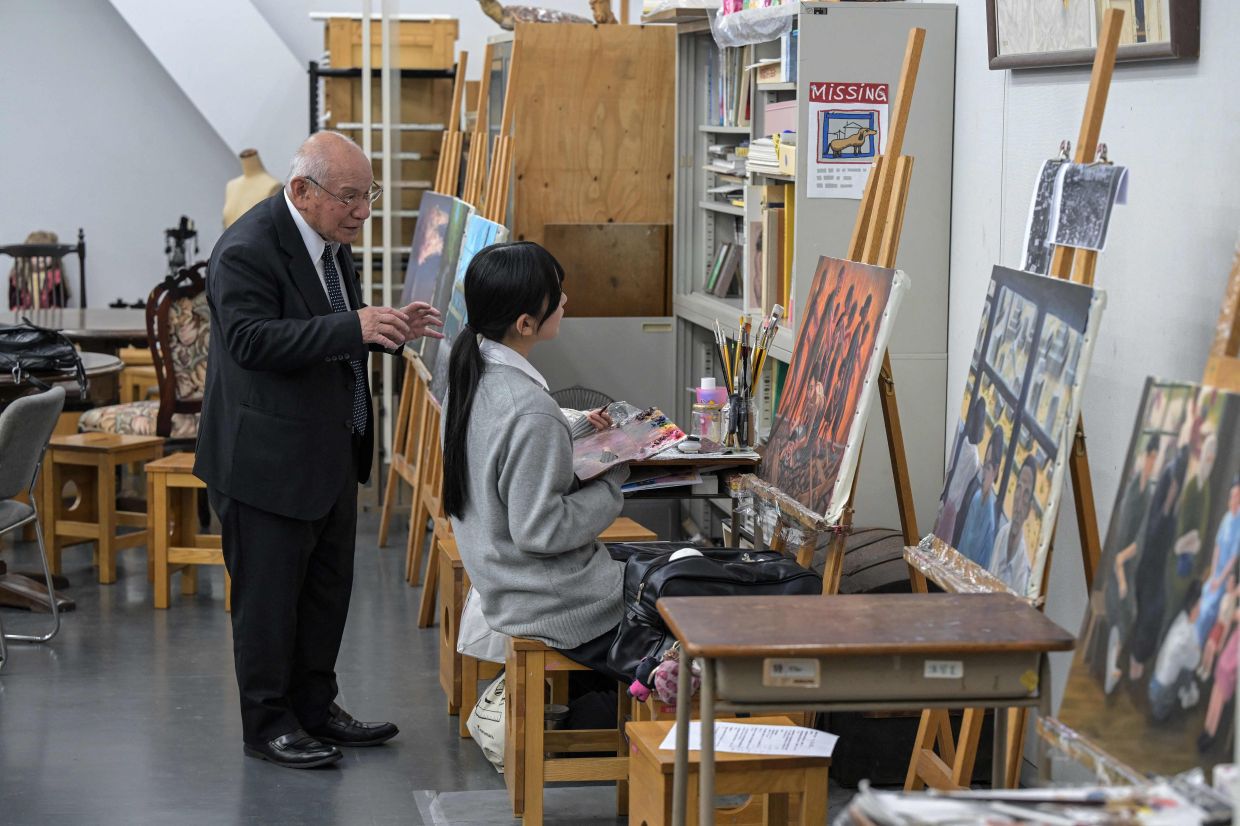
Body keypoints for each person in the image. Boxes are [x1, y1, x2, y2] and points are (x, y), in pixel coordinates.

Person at [194, 131, 443, 769]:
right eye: (351, 198)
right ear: (302, 191)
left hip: (328, 452)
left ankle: (314, 706)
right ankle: (268, 724)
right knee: (269, 602)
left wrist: (385, 331)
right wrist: (352, 326)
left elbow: (324, 331)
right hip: (265, 463)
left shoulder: (331, 242)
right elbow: (251, 341)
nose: (363, 212)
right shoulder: (245, 249)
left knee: (325, 594)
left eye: (369, 196)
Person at [441, 241, 631, 684]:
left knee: (652, 565)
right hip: (552, 603)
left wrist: (576, 431)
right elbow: (542, 529)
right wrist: (613, 477)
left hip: (506, 581)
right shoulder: (529, 408)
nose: (564, 300)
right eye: (557, 294)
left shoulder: (471, 378)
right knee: (684, 588)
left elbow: (503, 454)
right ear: (526, 323)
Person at [1146, 580, 1203, 722]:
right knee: (1188, 671)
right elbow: (1193, 662)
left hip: (1156, 682)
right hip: (1160, 693)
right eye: (1200, 605)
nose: (1201, 609)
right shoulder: (1185, 634)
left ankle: (1182, 694)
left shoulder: (1181, 619)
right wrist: (1195, 650)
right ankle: (1181, 698)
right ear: (1194, 607)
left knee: (1186, 668)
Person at [956, 426, 1004, 570]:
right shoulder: (976, 498)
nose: (984, 473)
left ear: (995, 472)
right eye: (985, 465)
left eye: (988, 468)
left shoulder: (990, 518)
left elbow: (984, 565)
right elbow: (963, 539)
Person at [990, 454, 1038, 596]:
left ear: (1029, 510)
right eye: (1019, 488)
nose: (1018, 506)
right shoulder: (1003, 533)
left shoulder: (1021, 568)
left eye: (1026, 494)